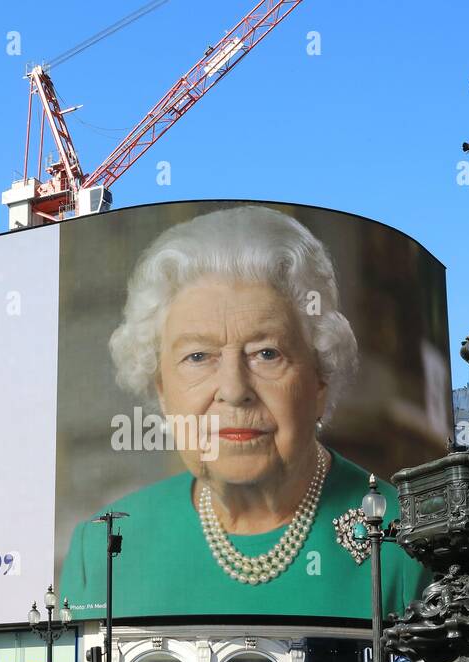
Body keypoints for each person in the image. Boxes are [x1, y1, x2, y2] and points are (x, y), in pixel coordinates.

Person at [59, 206, 428, 621]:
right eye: (198, 356)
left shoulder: (414, 539)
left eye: (266, 353)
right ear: (161, 390)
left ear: (320, 379)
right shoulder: (103, 545)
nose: (234, 391)